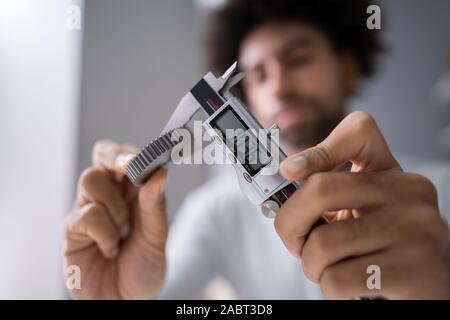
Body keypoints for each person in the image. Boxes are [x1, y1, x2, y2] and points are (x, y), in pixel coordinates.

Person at [63, 0, 450, 299]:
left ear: (347, 67)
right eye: (260, 74)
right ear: (244, 94)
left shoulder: (440, 192)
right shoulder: (214, 211)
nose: (279, 87)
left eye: (298, 59)